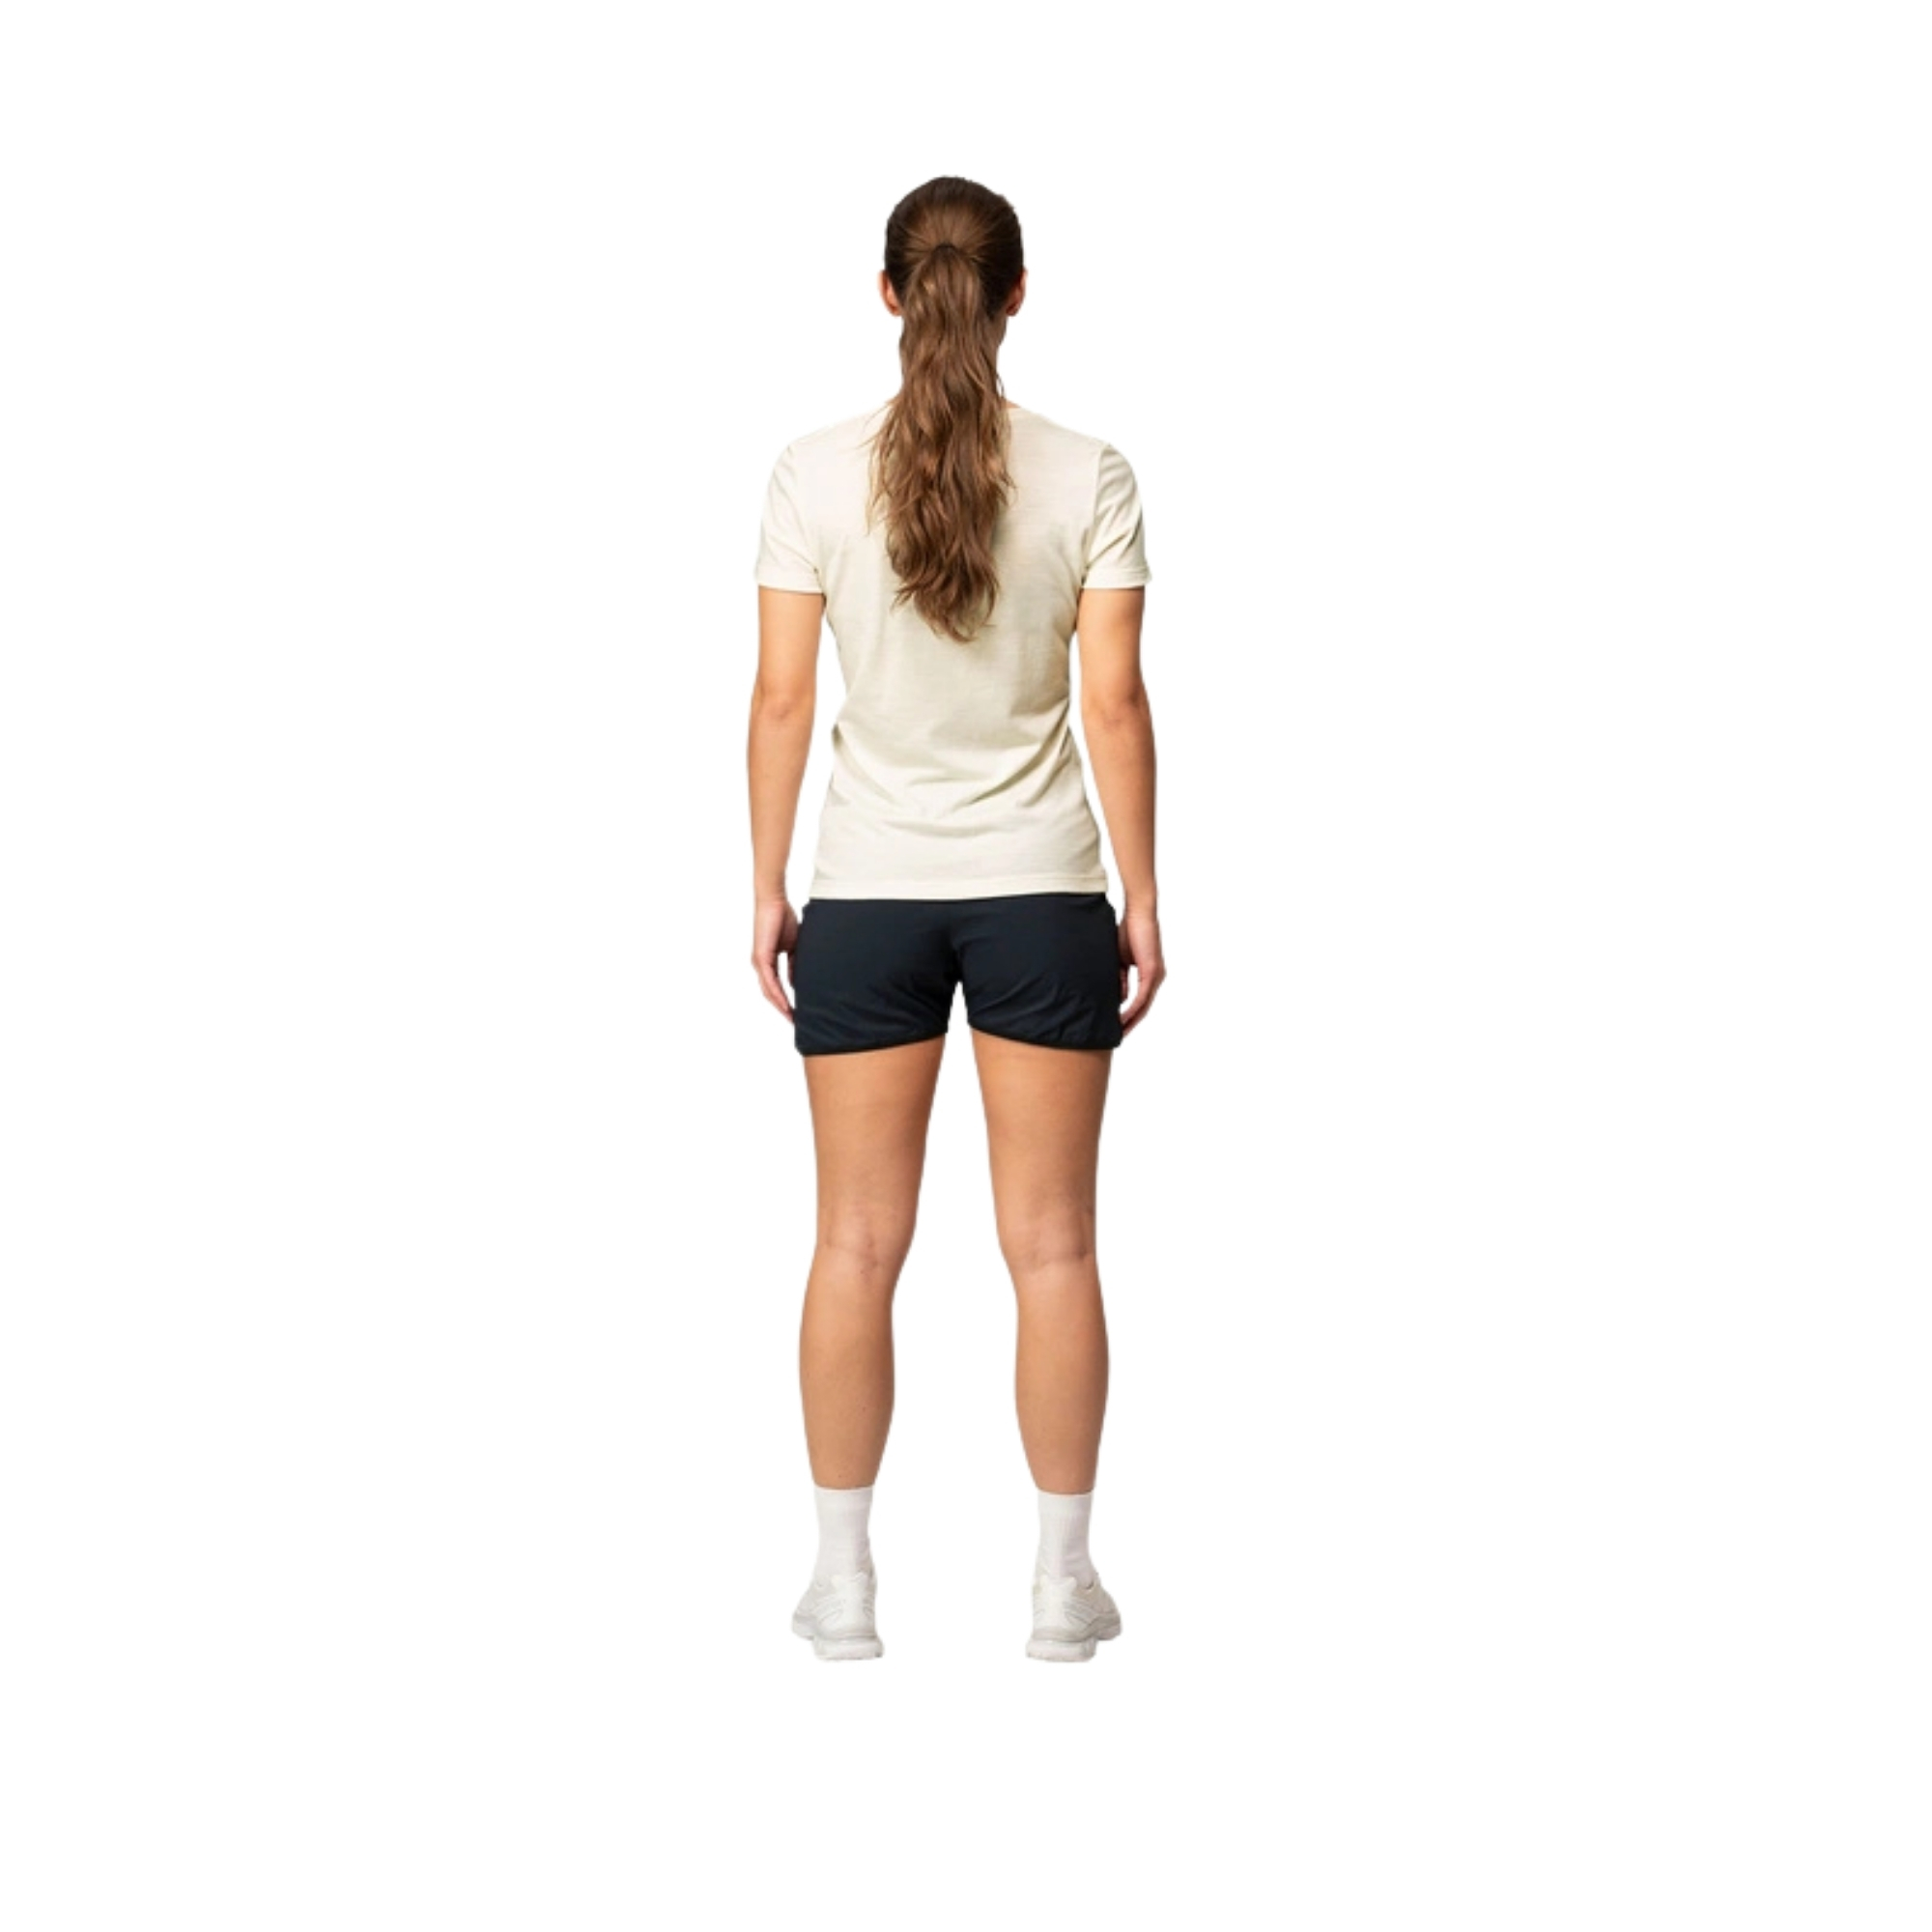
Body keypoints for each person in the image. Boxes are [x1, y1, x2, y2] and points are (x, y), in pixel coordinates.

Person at [747, 176, 1165, 1662]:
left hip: (867, 895)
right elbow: (1113, 702)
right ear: (1017, 292)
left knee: (854, 1245)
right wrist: (1145, 897)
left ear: (888, 293)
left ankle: (843, 1588)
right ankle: (1062, 1589)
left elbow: (782, 698)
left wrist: (767, 886)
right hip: (1043, 893)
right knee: (1053, 1249)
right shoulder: (1089, 472)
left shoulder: (810, 473)